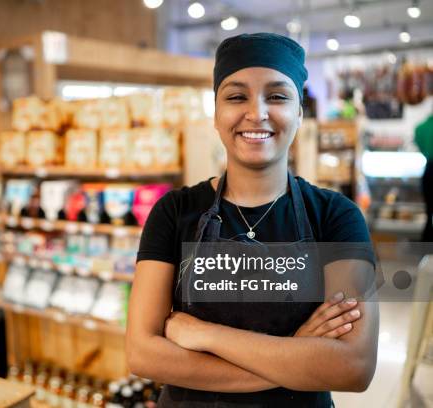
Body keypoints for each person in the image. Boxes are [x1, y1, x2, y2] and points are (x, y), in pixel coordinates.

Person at [126, 33, 379, 407]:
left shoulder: (335, 216)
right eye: (236, 96)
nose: (257, 112)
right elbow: (143, 355)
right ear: (216, 114)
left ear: (299, 113)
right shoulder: (174, 211)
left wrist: (204, 334)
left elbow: (353, 366)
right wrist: (295, 354)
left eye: (277, 96)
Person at [415, 112, 433, 241]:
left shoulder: (421, 127)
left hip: (429, 171)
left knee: (429, 212)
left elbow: (420, 146)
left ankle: (426, 247)